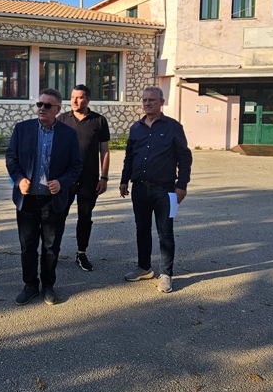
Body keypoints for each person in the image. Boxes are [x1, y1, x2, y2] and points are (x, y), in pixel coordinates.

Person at [5, 88, 82, 306]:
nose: (42, 109)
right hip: (27, 200)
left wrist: (62, 182)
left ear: (57, 109)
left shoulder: (68, 134)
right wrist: (19, 179)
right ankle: (30, 285)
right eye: (39, 104)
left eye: (47, 105)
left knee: (51, 247)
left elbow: (76, 165)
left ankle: (48, 285)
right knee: (28, 246)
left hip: (53, 201)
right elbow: (11, 158)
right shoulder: (22, 129)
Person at [118, 86, 193, 293]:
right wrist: (124, 181)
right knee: (141, 230)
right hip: (140, 189)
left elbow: (184, 158)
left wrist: (182, 185)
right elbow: (129, 157)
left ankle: (166, 274)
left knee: (165, 233)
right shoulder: (136, 128)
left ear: (161, 102)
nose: (147, 103)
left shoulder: (173, 127)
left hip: (165, 190)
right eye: (144, 100)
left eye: (151, 100)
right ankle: (144, 268)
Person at [57, 84, 110, 271]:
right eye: (72, 97)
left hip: (89, 179)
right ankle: (52, 251)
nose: (75, 100)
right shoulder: (61, 120)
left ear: (87, 100)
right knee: (58, 216)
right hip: (65, 179)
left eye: (79, 97)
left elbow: (104, 151)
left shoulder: (99, 121)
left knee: (85, 217)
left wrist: (104, 177)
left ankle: (81, 253)